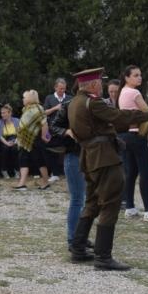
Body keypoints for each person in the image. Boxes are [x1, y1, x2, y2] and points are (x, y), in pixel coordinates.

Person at [68, 68, 148, 270]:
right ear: (93, 85)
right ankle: (103, 257)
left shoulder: (76, 102)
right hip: (103, 157)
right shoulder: (93, 102)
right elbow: (117, 116)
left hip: (90, 157)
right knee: (110, 203)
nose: (102, 85)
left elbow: (106, 123)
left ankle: (78, 247)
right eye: (100, 82)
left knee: (92, 201)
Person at [117, 65, 148, 223]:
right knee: (146, 172)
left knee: (131, 172)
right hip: (137, 135)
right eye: (136, 75)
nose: (139, 78)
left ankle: (130, 207)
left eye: (140, 75)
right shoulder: (134, 92)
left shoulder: (122, 92)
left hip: (125, 135)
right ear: (127, 77)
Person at [50, 89, 89, 258]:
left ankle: (80, 237)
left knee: (84, 199)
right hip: (73, 155)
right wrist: (67, 131)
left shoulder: (93, 104)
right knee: (77, 199)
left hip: (87, 155)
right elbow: (53, 126)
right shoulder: (68, 105)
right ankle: (73, 239)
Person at [13, 90, 51, 190]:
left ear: (30, 98)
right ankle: (22, 183)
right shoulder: (26, 109)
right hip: (24, 139)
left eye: (24, 97)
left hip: (35, 138)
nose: (23, 99)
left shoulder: (38, 108)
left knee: (40, 160)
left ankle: (46, 182)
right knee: (23, 159)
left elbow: (44, 123)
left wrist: (44, 136)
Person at [42, 78, 70, 180]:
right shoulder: (49, 98)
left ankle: (68, 171)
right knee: (47, 148)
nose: (62, 91)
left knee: (70, 149)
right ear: (55, 87)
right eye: (60, 89)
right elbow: (44, 113)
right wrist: (55, 108)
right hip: (52, 130)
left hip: (66, 130)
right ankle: (55, 173)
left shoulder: (70, 98)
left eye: (64, 89)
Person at [0, 104, 20, 178]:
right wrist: (7, 143)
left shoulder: (16, 120)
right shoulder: (0, 122)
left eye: (4, 113)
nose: (2, 115)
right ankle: (4, 170)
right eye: (1, 113)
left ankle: (17, 170)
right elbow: (0, 136)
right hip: (5, 140)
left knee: (14, 149)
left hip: (15, 140)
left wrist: (15, 142)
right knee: (5, 149)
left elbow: (20, 133)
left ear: (9, 113)